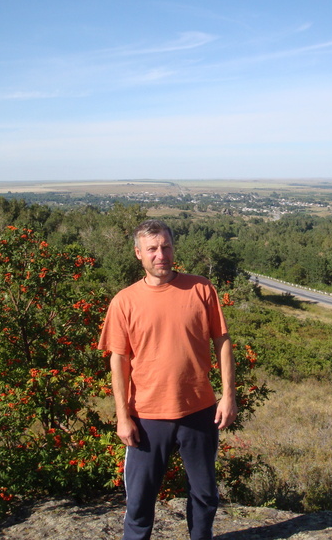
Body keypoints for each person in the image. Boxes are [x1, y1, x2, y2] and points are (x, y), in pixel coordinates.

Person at [98, 219, 238, 540]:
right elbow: (118, 361)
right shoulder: (125, 301)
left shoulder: (201, 288)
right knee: (140, 500)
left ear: (173, 248)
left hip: (199, 410)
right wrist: (122, 417)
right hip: (147, 416)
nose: (160, 254)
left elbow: (223, 341)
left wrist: (228, 395)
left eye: (166, 246)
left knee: (204, 495)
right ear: (138, 254)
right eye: (152, 249)